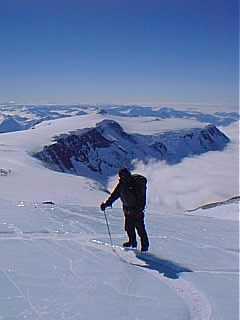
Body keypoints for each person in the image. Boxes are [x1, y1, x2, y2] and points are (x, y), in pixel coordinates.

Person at [100, 168, 149, 252]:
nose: (122, 177)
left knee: (140, 228)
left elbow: (141, 197)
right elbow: (114, 195)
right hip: (128, 209)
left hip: (136, 210)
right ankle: (132, 242)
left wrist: (139, 208)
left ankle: (144, 246)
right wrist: (106, 204)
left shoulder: (134, 183)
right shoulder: (122, 184)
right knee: (129, 227)